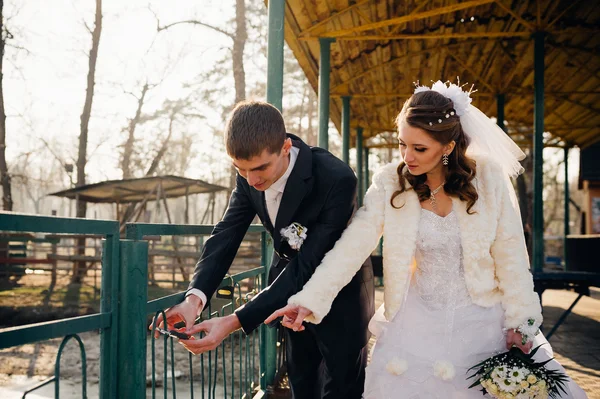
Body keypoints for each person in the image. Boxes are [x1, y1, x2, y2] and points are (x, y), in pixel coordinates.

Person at [267, 82, 588, 398]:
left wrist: (521, 322)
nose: (408, 157)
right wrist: (308, 300)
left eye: (419, 148)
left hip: (483, 322)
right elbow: (351, 247)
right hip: (415, 326)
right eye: (402, 144)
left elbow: (512, 257)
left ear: (448, 147)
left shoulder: (489, 181)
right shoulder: (390, 184)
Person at [152, 100, 374, 399]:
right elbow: (226, 235)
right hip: (284, 295)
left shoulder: (337, 178)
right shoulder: (248, 174)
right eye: (241, 170)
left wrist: (233, 321)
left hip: (341, 295)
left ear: (285, 147)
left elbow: (309, 262)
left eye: (260, 168)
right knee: (301, 380)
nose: (252, 180)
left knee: (343, 387)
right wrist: (194, 300)